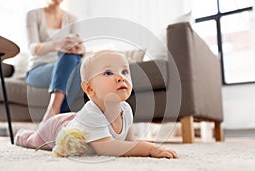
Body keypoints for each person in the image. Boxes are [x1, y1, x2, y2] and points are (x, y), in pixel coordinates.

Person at [15, 50, 178, 159]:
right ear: (89, 88)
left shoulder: (126, 109)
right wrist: (149, 149)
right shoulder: (92, 114)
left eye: (124, 72)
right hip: (56, 127)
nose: (121, 77)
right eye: (108, 73)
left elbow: (127, 143)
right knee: (33, 140)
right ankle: (21, 135)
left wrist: (138, 147)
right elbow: (106, 148)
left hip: (76, 120)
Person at [26, 0, 84, 122]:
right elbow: (32, 48)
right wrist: (57, 45)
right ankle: (54, 115)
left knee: (73, 60)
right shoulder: (33, 15)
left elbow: (80, 46)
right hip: (38, 69)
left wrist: (79, 48)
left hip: (68, 64)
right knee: (71, 62)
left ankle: (53, 120)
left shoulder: (72, 19)